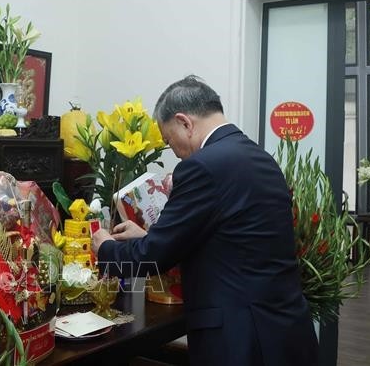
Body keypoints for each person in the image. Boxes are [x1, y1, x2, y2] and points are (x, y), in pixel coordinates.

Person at [91, 75, 318, 366]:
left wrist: (106, 248)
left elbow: (153, 257)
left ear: (185, 122)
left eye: (169, 140)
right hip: (283, 328)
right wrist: (144, 237)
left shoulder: (202, 167)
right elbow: (227, 239)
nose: (174, 151)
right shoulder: (258, 156)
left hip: (241, 338)